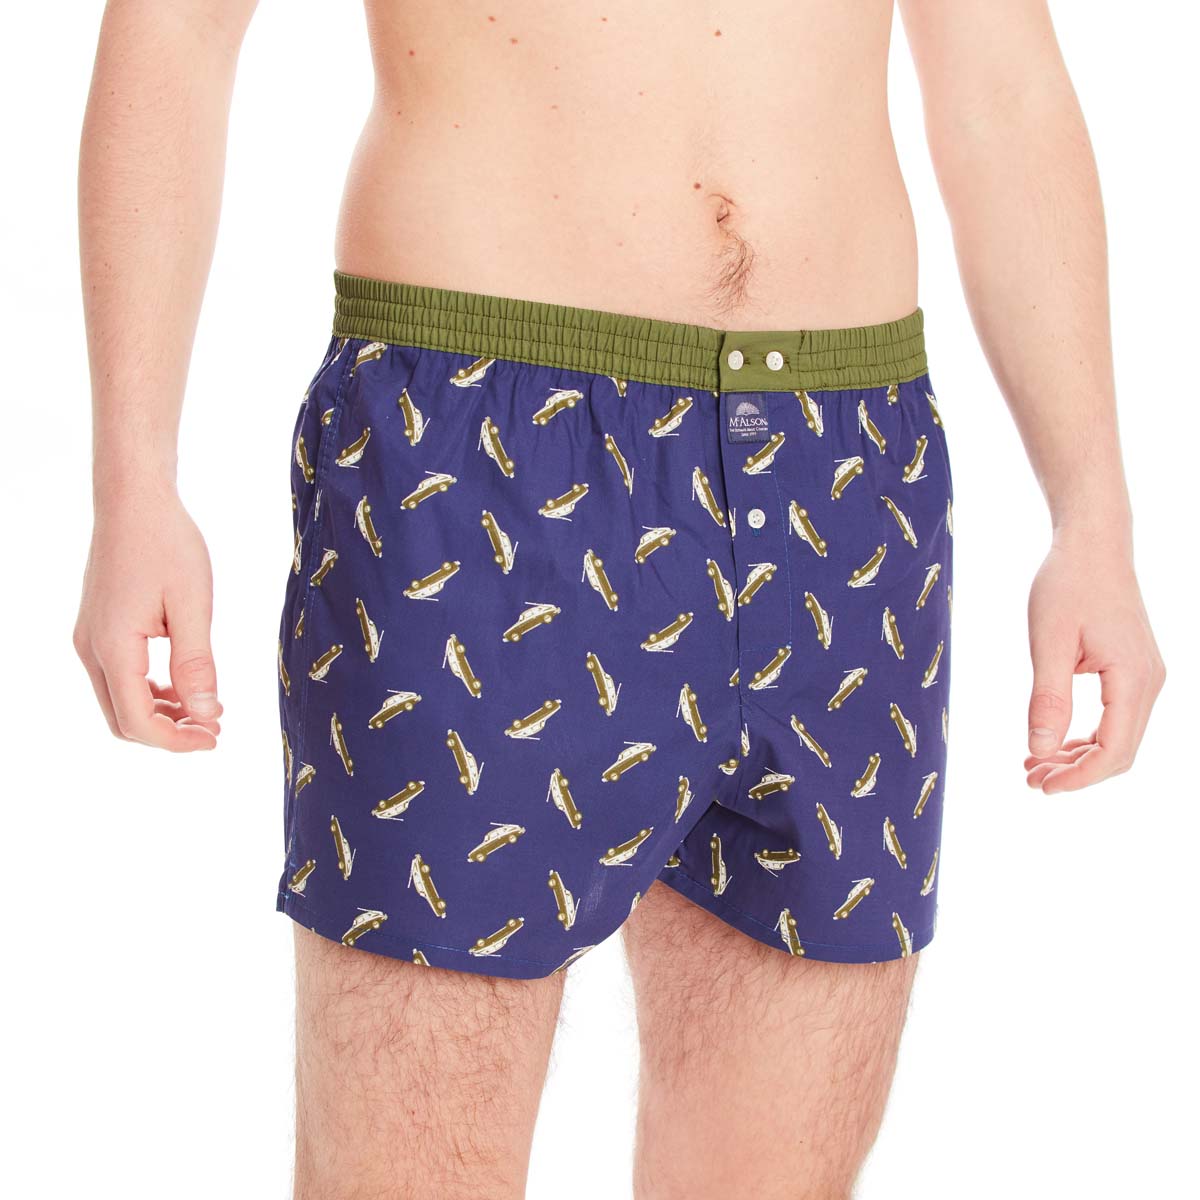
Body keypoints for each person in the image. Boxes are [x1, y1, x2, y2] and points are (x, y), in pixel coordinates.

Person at [72, 2, 1166, 1197]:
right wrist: (135, 479)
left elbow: (1002, 83)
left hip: (846, 466)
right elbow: (177, 27)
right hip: (483, 459)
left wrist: (1092, 515)